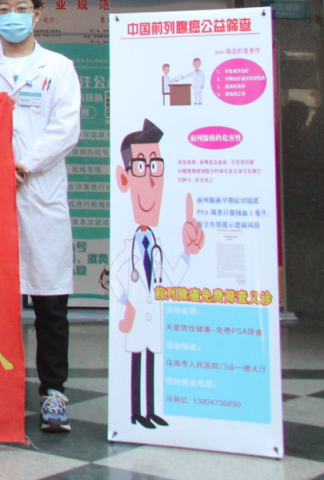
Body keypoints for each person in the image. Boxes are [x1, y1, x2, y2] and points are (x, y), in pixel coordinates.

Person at [0, 0, 82, 433]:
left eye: (21, 9)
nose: (12, 17)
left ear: (38, 13)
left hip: (40, 193)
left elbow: (66, 128)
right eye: (3, 10)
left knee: (49, 302)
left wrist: (24, 164)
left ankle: (53, 391)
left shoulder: (58, 67)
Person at [111, 119, 205, 431]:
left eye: (157, 167)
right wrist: (126, 305)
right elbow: (116, 281)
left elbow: (171, 278)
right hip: (135, 318)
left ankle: (150, 411)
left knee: (150, 362)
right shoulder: (127, 245)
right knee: (137, 362)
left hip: (153, 317)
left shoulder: (156, 243)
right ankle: (135, 413)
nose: (152, 180)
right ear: (124, 179)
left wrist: (188, 253)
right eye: (141, 167)